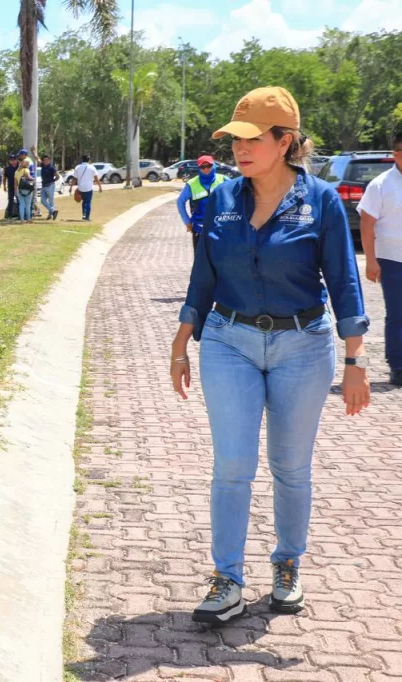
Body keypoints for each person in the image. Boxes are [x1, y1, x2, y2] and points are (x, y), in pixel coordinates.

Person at [170, 86, 370, 625]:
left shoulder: (321, 200)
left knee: (290, 466)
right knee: (233, 465)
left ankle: (287, 564)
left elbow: (345, 281)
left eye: (252, 139)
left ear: (284, 142)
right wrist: (182, 339)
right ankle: (227, 578)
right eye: (234, 140)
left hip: (303, 347)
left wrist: (356, 359)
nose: (240, 150)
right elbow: (204, 275)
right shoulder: (220, 200)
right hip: (228, 341)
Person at [357, 131, 402, 386]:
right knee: (397, 315)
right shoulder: (381, 185)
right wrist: (371, 260)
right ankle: (397, 365)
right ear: (396, 154)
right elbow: (366, 224)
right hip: (392, 259)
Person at [177, 155, 228, 253]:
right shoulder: (192, 184)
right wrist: (187, 221)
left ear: (213, 165)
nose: (206, 169)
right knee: (200, 260)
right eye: (202, 167)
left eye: (208, 166)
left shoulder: (223, 180)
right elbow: (180, 202)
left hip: (220, 229)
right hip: (200, 229)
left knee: (220, 261)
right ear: (199, 168)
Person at [72, 155, 104, 221]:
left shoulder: (77, 167)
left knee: (84, 201)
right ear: (89, 160)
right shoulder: (92, 167)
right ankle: (87, 217)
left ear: (82, 159)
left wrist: (71, 187)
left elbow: (75, 178)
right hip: (89, 188)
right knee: (88, 202)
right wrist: (100, 187)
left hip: (81, 188)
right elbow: (96, 178)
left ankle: (84, 214)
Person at [40, 154, 59, 220]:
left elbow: (57, 176)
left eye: (47, 160)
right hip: (43, 186)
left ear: (49, 160)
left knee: (51, 201)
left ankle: (50, 215)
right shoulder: (42, 166)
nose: (45, 161)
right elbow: (37, 159)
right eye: (44, 160)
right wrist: (33, 152)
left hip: (50, 185)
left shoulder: (51, 168)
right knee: (42, 200)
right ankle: (53, 211)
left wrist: (52, 181)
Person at [15, 159, 35, 223]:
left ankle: (22, 219)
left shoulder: (16, 172)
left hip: (19, 190)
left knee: (21, 205)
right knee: (27, 205)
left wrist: (15, 191)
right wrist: (33, 179)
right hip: (27, 190)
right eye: (27, 163)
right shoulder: (26, 170)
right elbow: (29, 177)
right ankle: (28, 219)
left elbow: (15, 183)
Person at [4, 154, 18, 220]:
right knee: (10, 200)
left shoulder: (19, 167)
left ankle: (19, 214)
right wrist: (4, 186)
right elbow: (4, 178)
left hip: (18, 187)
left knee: (20, 200)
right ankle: (9, 215)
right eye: (11, 160)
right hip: (10, 186)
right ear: (9, 161)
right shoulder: (7, 168)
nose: (13, 161)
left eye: (14, 159)